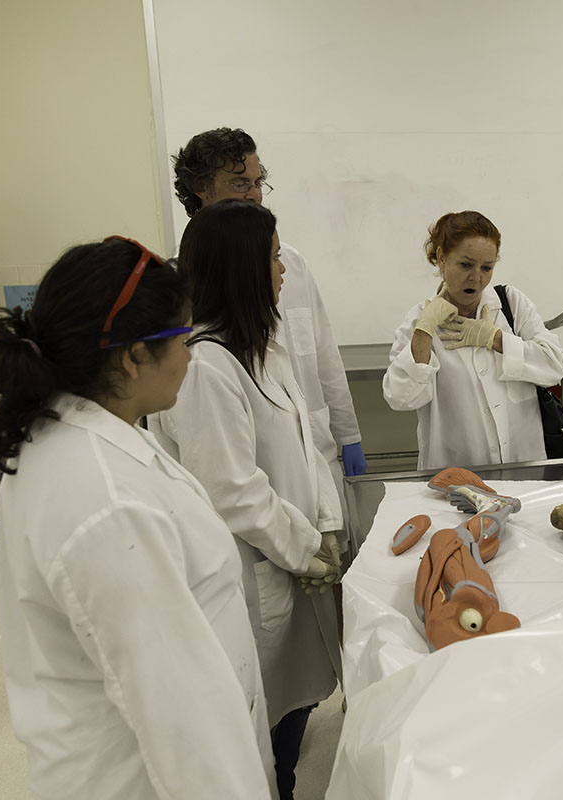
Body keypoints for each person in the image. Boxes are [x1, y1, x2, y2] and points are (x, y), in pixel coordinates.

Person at [0, 237, 277, 798]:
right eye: (182, 336)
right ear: (133, 357)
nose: (191, 352)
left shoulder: (81, 432)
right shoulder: (108, 502)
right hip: (144, 778)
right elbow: (178, 716)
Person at [149, 201, 343, 800]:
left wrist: (328, 529)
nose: (284, 268)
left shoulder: (263, 347)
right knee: (259, 738)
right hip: (250, 572)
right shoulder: (206, 364)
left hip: (291, 560)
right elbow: (231, 488)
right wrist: (307, 550)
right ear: (241, 269)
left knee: (294, 709)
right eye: (273, 256)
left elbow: (306, 446)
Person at [173, 127, 366, 519]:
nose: (255, 193)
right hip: (253, 465)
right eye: (240, 182)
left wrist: (349, 437)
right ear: (201, 188)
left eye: (259, 182)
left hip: (315, 453)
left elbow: (323, 353)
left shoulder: (289, 262)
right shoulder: (180, 281)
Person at [383, 210, 563, 469]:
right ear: (441, 258)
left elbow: (554, 366)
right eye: (465, 264)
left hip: (525, 472)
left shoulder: (511, 304)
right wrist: (425, 329)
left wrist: (495, 339)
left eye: (487, 267)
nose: (476, 278)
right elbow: (401, 397)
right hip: (455, 481)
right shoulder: (419, 322)